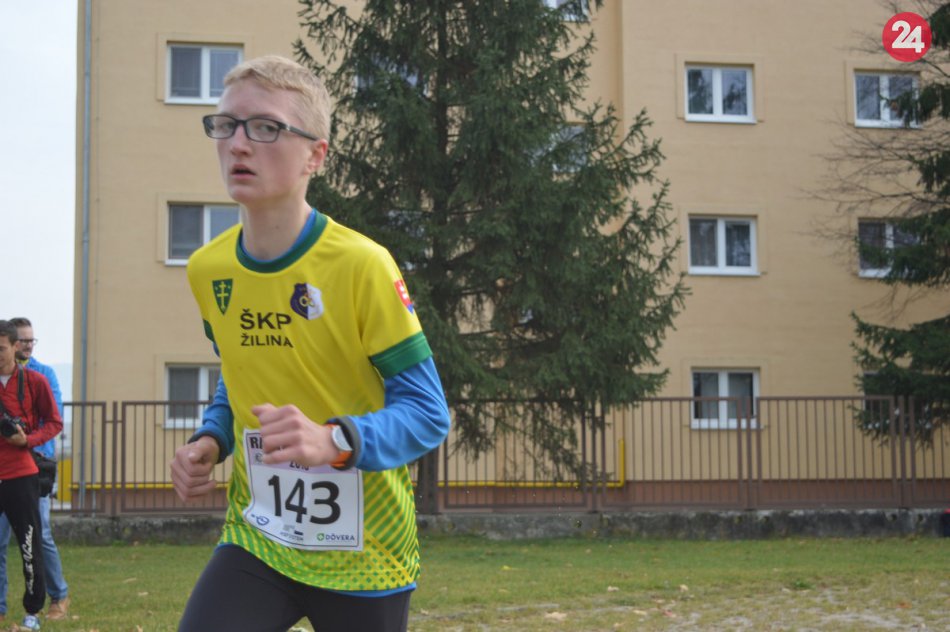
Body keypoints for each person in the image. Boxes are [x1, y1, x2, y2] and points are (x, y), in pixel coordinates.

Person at [169, 55, 451, 632]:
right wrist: (212, 438)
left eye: (265, 127)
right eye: (226, 125)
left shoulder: (361, 265)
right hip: (260, 539)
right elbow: (237, 377)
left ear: (315, 156)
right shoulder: (207, 269)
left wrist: (334, 440)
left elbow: (428, 414)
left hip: (366, 552)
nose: (238, 144)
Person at [0, 318, 70, 623]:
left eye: (1, 348)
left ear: (15, 347)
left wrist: (27, 440)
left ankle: (33, 612)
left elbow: (54, 422)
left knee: (30, 545)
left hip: (22, 474)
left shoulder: (36, 381)